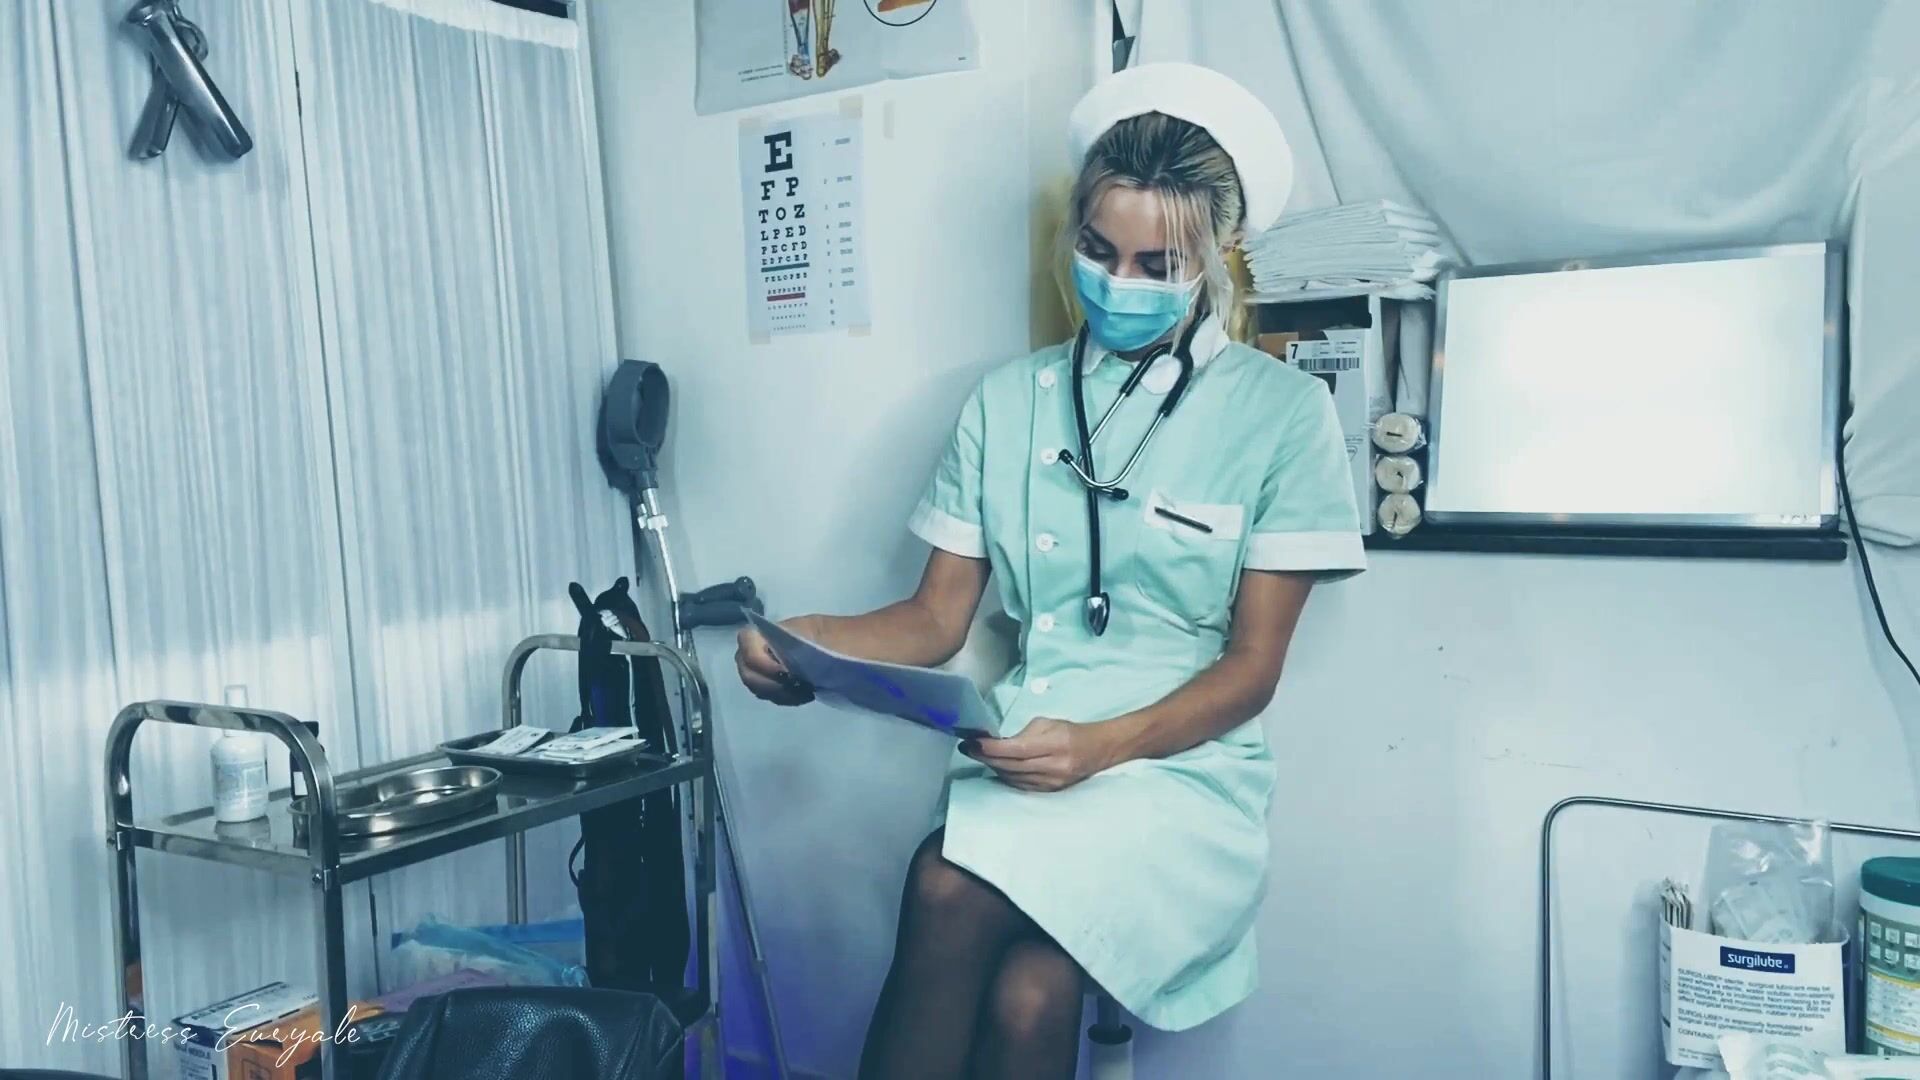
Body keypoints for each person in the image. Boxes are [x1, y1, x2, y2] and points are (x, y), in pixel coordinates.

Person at [735, 63, 1365, 1080]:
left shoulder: (1282, 416)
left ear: (1217, 254)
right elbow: (933, 619)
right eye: (1098, 250)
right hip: (1028, 752)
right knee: (1030, 995)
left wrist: (1104, 746)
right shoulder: (1006, 402)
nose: (1120, 280)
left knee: (945, 886)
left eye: (1158, 262)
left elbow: (1252, 672)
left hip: (1179, 774)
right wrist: (804, 642)